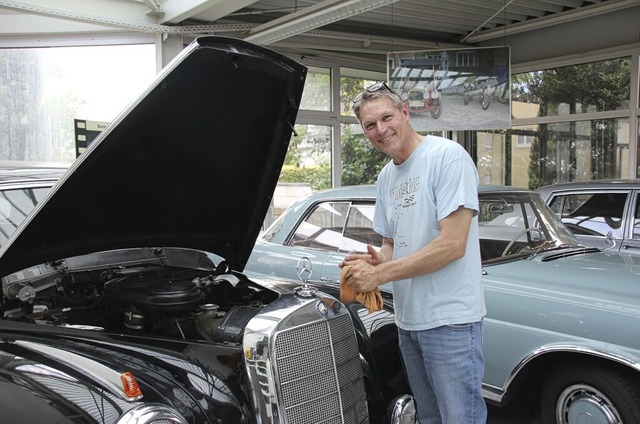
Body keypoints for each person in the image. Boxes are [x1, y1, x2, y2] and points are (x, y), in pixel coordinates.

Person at [341, 81, 487, 424]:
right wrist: (378, 260)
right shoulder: (386, 177)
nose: (380, 129)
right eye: (370, 125)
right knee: (428, 417)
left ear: (405, 113)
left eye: (386, 117)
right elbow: (393, 243)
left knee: (460, 418)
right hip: (408, 322)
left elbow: (453, 244)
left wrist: (381, 274)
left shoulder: (446, 157)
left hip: (451, 322)